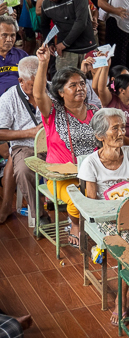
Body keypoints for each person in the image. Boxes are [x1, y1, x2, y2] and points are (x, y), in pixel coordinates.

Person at [78, 108, 129, 325]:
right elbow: (92, 206)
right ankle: (122, 297)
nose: (120, 132)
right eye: (114, 128)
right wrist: (117, 214)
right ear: (100, 136)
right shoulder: (91, 163)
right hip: (106, 219)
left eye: (122, 127)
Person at [34, 44, 98, 248]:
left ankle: (100, 228)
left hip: (92, 173)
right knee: (76, 200)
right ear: (61, 92)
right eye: (73, 85)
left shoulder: (94, 111)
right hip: (62, 176)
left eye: (82, 83)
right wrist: (43, 64)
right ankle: (75, 226)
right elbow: (38, 96)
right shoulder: (53, 112)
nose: (80, 88)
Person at [0, 57, 44, 224]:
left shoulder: (50, 89)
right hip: (26, 146)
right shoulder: (9, 98)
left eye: (42, 81)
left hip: (52, 146)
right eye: (34, 85)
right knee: (23, 169)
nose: (39, 87)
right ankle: (38, 212)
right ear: (21, 81)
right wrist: (29, 133)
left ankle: (67, 209)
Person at [37, 0, 97, 71]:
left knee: (92, 83)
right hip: (65, 52)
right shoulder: (46, 5)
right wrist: (50, 43)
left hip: (86, 47)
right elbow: (44, 26)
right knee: (65, 83)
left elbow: (81, 22)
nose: (50, 0)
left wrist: (65, 43)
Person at [94, 62, 129, 148]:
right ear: (122, 90)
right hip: (113, 144)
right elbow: (101, 89)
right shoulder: (111, 100)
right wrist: (105, 66)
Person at [0, 15, 28, 96]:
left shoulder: (22, 56)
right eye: (4, 35)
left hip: (21, 100)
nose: (9, 39)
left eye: (12, 35)